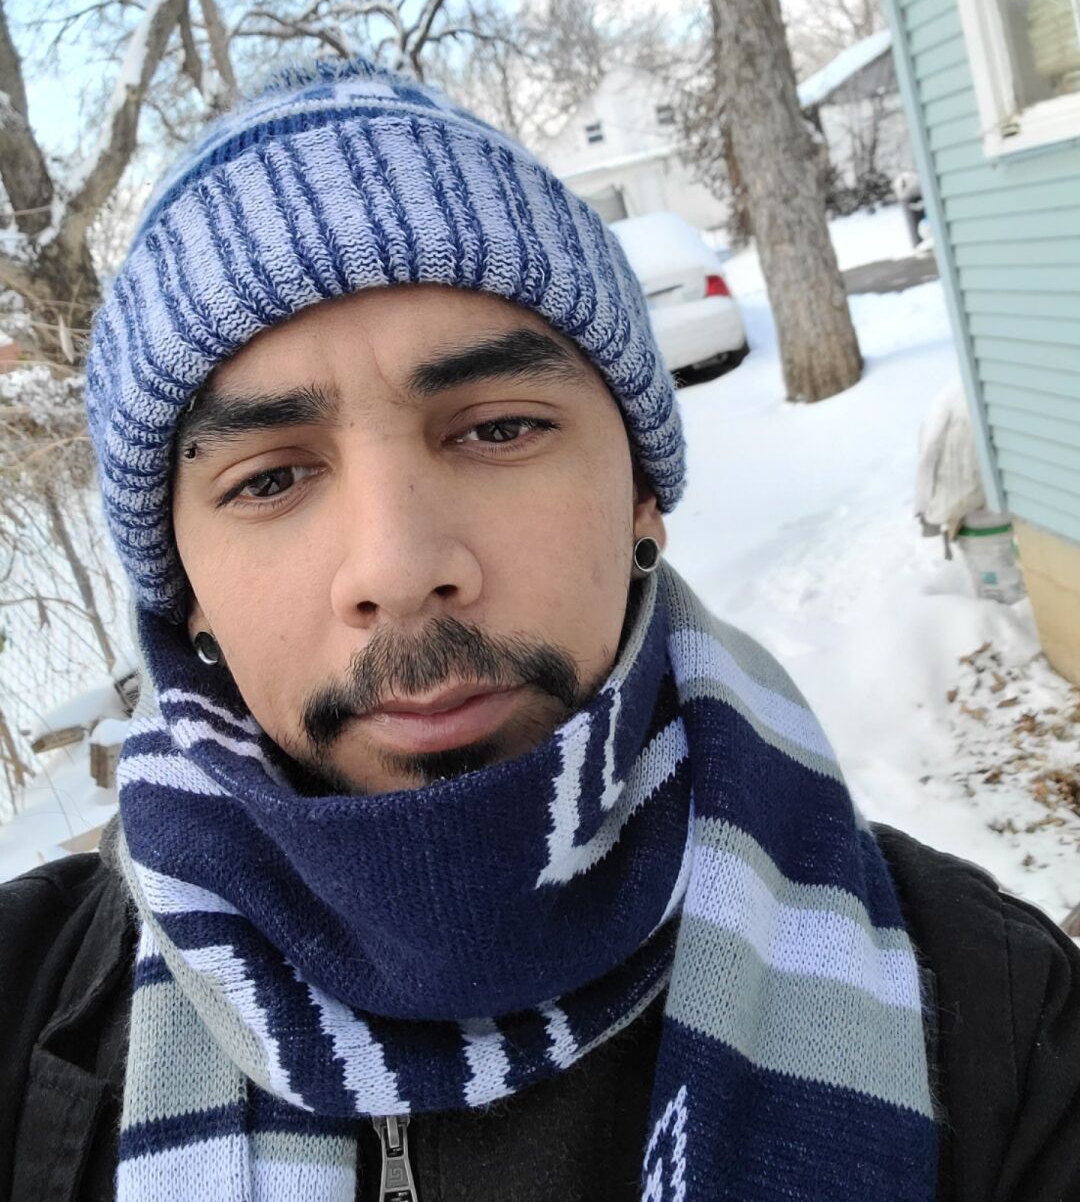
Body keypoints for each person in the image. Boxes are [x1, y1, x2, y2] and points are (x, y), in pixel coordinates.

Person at [2, 59, 1079, 1202]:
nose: (399, 570)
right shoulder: (27, 1013)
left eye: (499, 428)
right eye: (270, 480)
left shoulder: (1003, 1026)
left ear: (641, 496)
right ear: (187, 595)